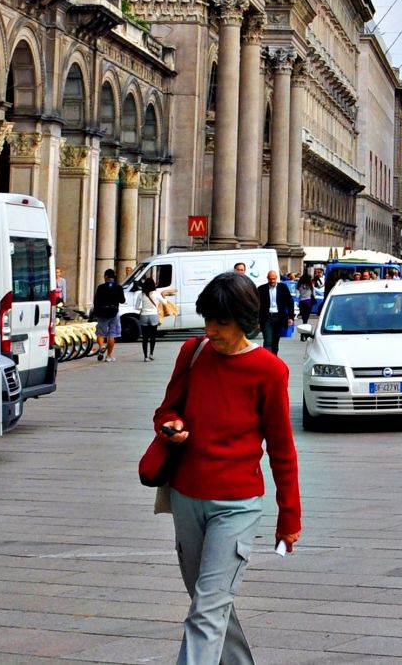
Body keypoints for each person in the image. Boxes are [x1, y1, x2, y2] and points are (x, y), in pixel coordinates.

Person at [152, 272, 300, 665]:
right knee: (210, 604)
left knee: (207, 610)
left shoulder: (269, 370)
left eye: (221, 322)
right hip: (186, 497)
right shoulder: (193, 353)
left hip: (236, 504)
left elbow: (282, 448)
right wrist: (172, 426)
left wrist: (289, 517)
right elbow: (166, 409)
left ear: (246, 320)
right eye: (207, 320)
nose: (211, 330)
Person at [92, 269, 125, 362]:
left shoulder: (101, 287)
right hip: (114, 312)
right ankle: (109, 356)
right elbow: (122, 300)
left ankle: (102, 346)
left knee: (100, 333)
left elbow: (96, 301)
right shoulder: (119, 287)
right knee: (112, 334)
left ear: (106, 276)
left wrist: (96, 312)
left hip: (102, 313)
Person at [133, 277, 165, 361]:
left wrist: (143, 308)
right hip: (154, 315)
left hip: (144, 315)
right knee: (153, 336)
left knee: (145, 337)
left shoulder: (141, 294)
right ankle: (151, 354)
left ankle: (145, 356)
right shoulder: (156, 294)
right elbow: (164, 302)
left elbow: (136, 307)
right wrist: (163, 296)